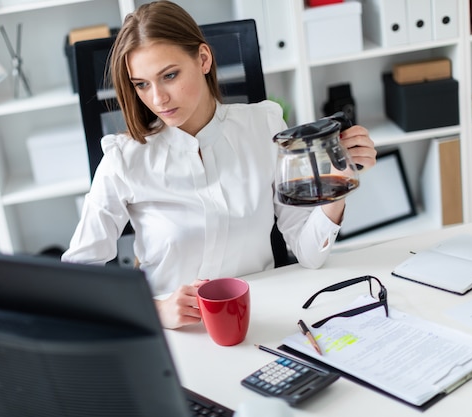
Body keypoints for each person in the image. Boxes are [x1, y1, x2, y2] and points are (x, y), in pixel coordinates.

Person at [62, 0, 376, 329]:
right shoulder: (124, 159)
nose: (158, 99)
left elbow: (310, 253)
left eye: (169, 75)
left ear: (203, 59)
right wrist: (156, 311)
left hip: (262, 320)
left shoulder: (264, 126)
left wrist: (338, 184)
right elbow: (78, 280)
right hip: (177, 334)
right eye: (142, 84)